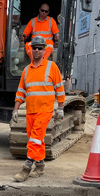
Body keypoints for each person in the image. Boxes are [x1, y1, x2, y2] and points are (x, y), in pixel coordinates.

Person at [13, 35, 65, 182]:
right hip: (31, 111)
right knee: (36, 139)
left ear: (44, 50)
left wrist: (60, 107)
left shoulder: (51, 67)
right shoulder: (26, 70)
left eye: (39, 48)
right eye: (34, 48)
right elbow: (21, 91)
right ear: (30, 50)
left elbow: (59, 88)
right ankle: (40, 166)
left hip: (45, 110)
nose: (36, 50)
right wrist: (15, 110)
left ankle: (26, 168)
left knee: (35, 138)